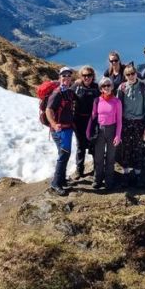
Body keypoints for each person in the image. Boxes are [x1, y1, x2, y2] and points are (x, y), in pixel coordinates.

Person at [117, 64, 145, 186]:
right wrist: (118, 126)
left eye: (132, 73)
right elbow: (118, 108)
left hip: (138, 123)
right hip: (126, 122)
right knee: (126, 148)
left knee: (138, 148)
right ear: (125, 76)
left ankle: (138, 175)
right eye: (128, 74)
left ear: (136, 73)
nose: (131, 76)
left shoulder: (143, 87)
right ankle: (126, 174)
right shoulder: (121, 88)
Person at [87, 77, 122, 190]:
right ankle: (97, 179)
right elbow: (93, 117)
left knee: (111, 158)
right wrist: (89, 132)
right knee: (98, 157)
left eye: (108, 85)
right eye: (104, 86)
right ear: (101, 89)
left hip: (112, 130)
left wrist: (118, 135)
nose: (106, 88)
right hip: (100, 131)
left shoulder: (117, 101)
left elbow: (119, 121)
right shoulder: (97, 101)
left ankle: (109, 181)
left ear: (112, 87)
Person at [46, 66, 76, 196]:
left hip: (67, 128)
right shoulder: (57, 93)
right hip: (59, 129)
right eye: (64, 76)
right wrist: (53, 123)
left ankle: (62, 179)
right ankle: (56, 183)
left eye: (69, 76)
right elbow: (48, 110)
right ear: (60, 77)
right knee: (64, 154)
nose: (66, 78)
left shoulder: (68, 91)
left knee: (64, 153)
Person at [72, 65, 100, 180]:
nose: (87, 77)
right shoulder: (76, 87)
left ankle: (96, 170)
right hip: (79, 121)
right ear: (81, 76)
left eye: (89, 75)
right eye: (84, 75)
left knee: (94, 145)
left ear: (93, 76)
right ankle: (79, 170)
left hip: (93, 120)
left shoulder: (97, 88)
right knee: (80, 146)